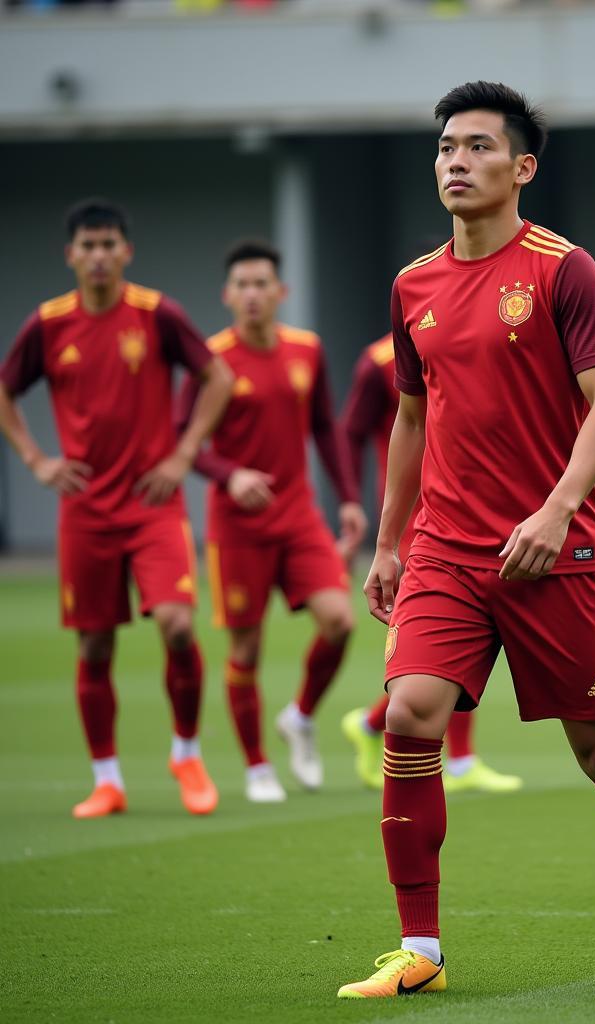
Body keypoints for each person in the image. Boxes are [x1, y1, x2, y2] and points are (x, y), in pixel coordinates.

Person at [336, 81, 595, 1000]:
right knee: (409, 715)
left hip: (560, 554)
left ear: (522, 168)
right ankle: (420, 951)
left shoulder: (563, 269)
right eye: (444, 148)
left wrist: (554, 511)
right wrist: (390, 543)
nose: (455, 162)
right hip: (446, 551)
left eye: (476, 147)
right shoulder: (412, 285)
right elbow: (409, 419)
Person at [0, 198, 233, 818]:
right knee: (95, 647)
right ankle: (106, 779)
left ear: (126, 252)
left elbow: (217, 378)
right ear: (70, 254)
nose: (99, 256)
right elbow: (5, 389)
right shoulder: (48, 325)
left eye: (109, 245)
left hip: (153, 505)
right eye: (88, 245)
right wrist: (36, 460)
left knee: (178, 626)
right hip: (85, 512)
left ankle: (186, 753)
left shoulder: (157, 315)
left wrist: (183, 455)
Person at [176, 239, 354, 803]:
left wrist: (348, 498)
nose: (253, 295)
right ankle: (256, 767)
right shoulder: (211, 361)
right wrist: (229, 475)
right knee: (246, 651)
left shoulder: (307, 350)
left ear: (282, 292)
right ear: (228, 295)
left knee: (340, 622)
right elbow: (184, 443)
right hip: (237, 526)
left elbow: (325, 427)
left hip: (299, 515)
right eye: (242, 285)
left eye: (262, 284)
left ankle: (300, 717)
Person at [336, 332, 523, 794]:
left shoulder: (485, 339)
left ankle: (373, 724)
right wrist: (354, 503)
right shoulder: (378, 360)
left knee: (461, 634)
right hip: (414, 512)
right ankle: (456, 759)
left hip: (468, 506)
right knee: (445, 635)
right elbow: (352, 433)